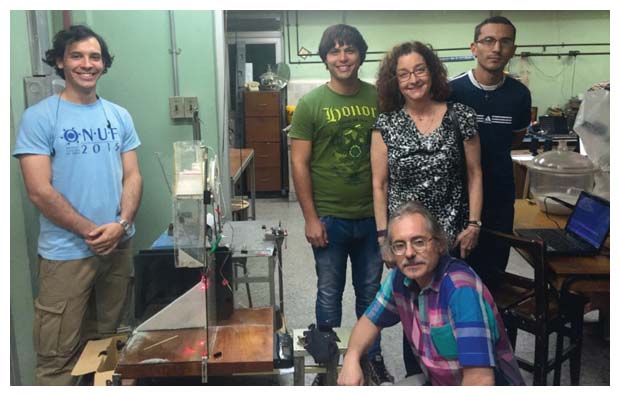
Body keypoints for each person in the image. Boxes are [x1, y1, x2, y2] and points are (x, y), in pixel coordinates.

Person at [13, 25, 142, 385]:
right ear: (60, 62)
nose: (87, 64)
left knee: (108, 346)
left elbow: (132, 176)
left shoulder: (118, 116)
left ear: (104, 64)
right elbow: (39, 191)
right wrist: (91, 231)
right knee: (57, 361)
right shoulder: (39, 118)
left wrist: (121, 224)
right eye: (77, 56)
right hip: (66, 255)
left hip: (116, 248)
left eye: (95, 56)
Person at [371, 41, 483, 378]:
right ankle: (419, 379)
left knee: (454, 316)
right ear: (395, 81)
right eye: (403, 73)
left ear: (432, 72)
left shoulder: (460, 116)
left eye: (419, 70)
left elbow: (475, 173)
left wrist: (474, 223)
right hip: (407, 243)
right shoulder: (385, 124)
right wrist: (383, 239)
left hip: (449, 240)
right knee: (415, 320)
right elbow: (379, 185)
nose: (413, 79)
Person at [289, 24, 393, 385]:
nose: (343, 57)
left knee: (371, 294)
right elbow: (299, 163)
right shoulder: (310, 104)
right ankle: (327, 363)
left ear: (361, 54)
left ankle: (371, 358)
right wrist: (310, 218)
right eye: (334, 51)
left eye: (349, 50)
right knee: (329, 292)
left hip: (372, 216)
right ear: (325, 58)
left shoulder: (379, 98)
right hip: (330, 217)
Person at [337, 201, 525, 386]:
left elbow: (480, 381)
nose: (409, 253)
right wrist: (351, 359)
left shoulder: (461, 290)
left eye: (418, 242)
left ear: (440, 244)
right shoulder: (399, 278)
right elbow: (369, 321)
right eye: (399, 245)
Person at [449, 16, 532, 285]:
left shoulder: (520, 95)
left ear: (513, 49)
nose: (496, 48)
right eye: (489, 41)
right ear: (474, 48)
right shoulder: (452, 90)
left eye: (504, 41)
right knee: (454, 275)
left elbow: (516, 140)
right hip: (457, 199)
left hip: (499, 198)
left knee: (494, 276)